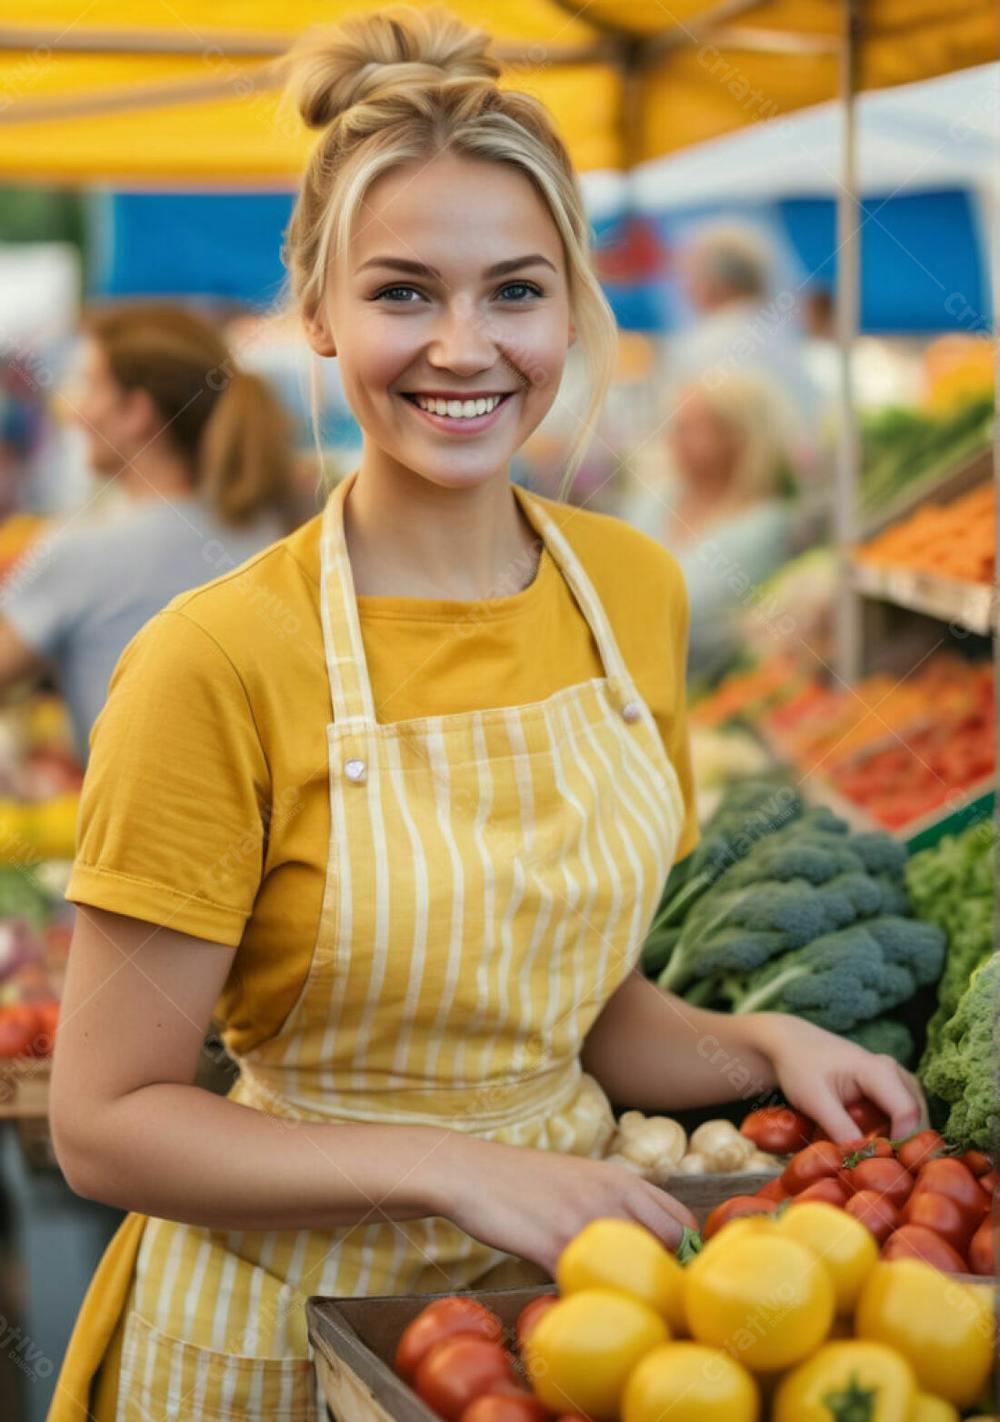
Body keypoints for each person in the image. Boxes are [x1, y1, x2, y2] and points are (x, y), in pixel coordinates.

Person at [46, 9, 927, 1420]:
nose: (466, 347)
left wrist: (760, 1048)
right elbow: (102, 1125)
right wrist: (453, 1161)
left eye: (515, 291)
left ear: (573, 305)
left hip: (573, 1318)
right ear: (318, 313)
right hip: (278, 1330)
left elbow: (578, 1012)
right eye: (404, 293)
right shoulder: (212, 661)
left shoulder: (631, 591)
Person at [0, 300, 296, 763]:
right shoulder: (278, 528)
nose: (74, 411)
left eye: (90, 386)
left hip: (142, 826)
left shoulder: (83, 554)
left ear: (136, 412)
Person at [621, 369, 799, 679]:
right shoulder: (654, 500)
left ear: (735, 436)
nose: (672, 437)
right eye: (674, 425)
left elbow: (681, 611)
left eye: (689, 427)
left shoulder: (764, 525)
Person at [667, 220, 821, 465]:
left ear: (710, 283)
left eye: (689, 276)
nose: (684, 288)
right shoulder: (786, 337)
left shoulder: (702, 345)